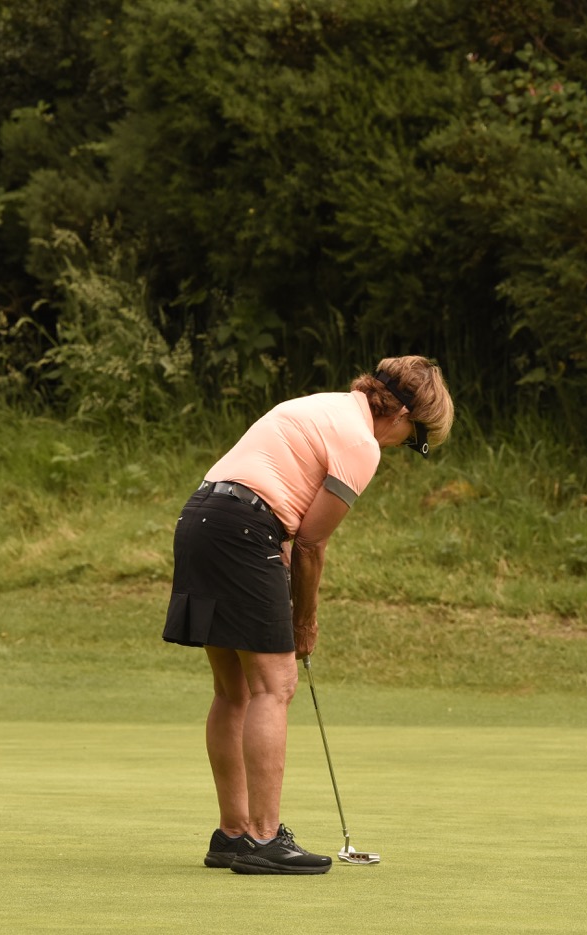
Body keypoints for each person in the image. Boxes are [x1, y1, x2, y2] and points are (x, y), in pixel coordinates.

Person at [163, 356, 454, 872]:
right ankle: (264, 839)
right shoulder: (361, 443)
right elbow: (313, 543)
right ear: (402, 414)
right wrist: (305, 621)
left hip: (201, 520)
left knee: (233, 690)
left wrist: (287, 580)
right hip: (244, 530)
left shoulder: (318, 406)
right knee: (275, 686)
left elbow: (290, 526)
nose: (402, 445)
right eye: (414, 438)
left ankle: (233, 835)